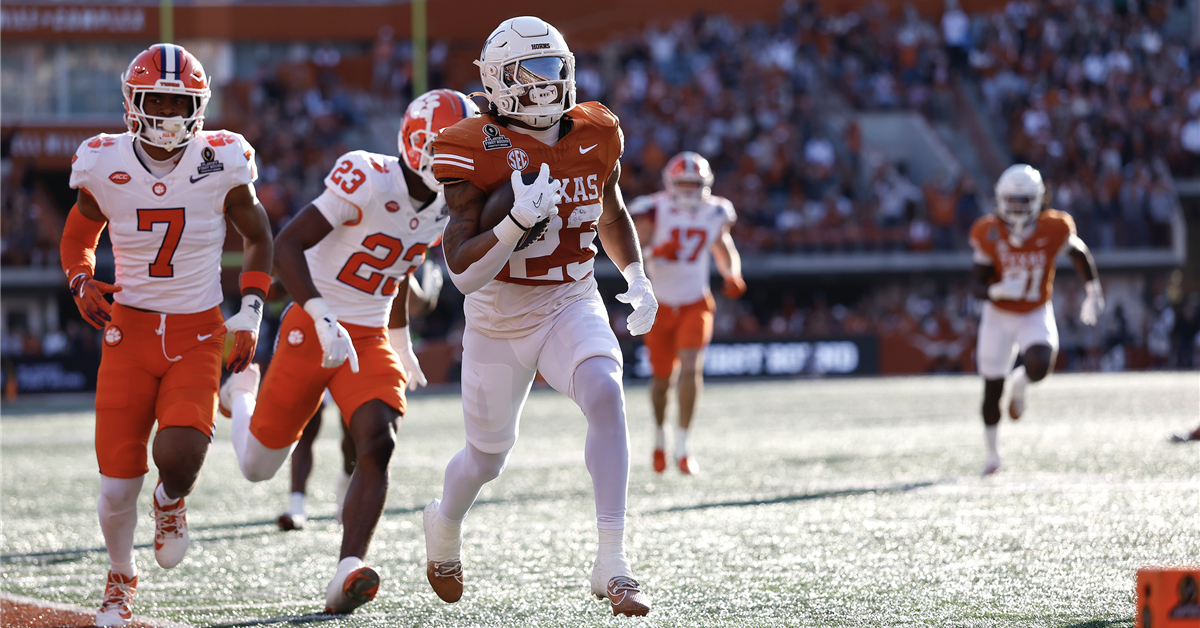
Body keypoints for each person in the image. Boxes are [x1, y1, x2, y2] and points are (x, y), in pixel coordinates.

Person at [422, 16, 658, 617]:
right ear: (500, 82)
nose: (550, 84)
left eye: (556, 68)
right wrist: (515, 224)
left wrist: (635, 276)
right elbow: (462, 272)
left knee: (606, 391)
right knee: (486, 458)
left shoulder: (596, 131)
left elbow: (610, 211)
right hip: (498, 315)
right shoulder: (472, 144)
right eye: (534, 72)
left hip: (569, 298)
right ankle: (443, 522)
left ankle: (613, 559)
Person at [218, 89, 476, 614]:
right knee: (256, 465)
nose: (453, 161)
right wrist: (319, 313)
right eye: (444, 148)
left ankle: (347, 568)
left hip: (370, 335)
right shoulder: (367, 175)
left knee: (377, 441)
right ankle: (241, 393)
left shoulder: (445, 203)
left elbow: (398, 270)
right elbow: (288, 245)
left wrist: (401, 343)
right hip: (313, 325)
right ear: (414, 144)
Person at [59, 44, 274, 627]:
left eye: (182, 103)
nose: (172, 114)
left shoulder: (222, 158)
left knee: (178, 457)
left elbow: (258, 236)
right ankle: (121, 576)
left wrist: (249, 310)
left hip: (197, 332)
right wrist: (81, 279)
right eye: (160, 101)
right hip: (127, 332)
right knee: (114, 487)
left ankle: (171, 501)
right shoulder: (103, 163)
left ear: (200, 106)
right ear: (134, 104)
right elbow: (77, 236)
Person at [275, 261, 444, 531]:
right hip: (316, 338)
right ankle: (297, 505)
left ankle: (344, 484)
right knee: (308, 423)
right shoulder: (326, 229)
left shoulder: (390, 242)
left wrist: (430, 292)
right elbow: (285, 281)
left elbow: (414, 303)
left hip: (361, 345)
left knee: (353, 432)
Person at [968, 164, 1103, 476]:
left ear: (1039, 199)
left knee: (1040, 364)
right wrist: (995, 290)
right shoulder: (988, 230)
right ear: (1000, 199)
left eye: (1023, 200)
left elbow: (1079, 254)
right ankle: (992, 454)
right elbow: (975, 285)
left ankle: (1021, 382)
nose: (1016, 207)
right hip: (998, 316)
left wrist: (1093, 292)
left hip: (1033, 310)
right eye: (1011, 200)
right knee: (991, 390)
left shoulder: (1054, 226)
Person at [628, 151, 744, 475]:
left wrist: (732, 273)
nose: (690, 190)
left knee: (692, 367)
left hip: (695, 301)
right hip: (659, 304)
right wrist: (654, 252)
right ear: (671, 183)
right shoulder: (653, 209)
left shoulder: (715, 211)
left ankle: (683, 446)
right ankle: (659, 436)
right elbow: (631, 250)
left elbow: (723, 246)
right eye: (684, 183)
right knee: (662, 380)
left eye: (695, 183)